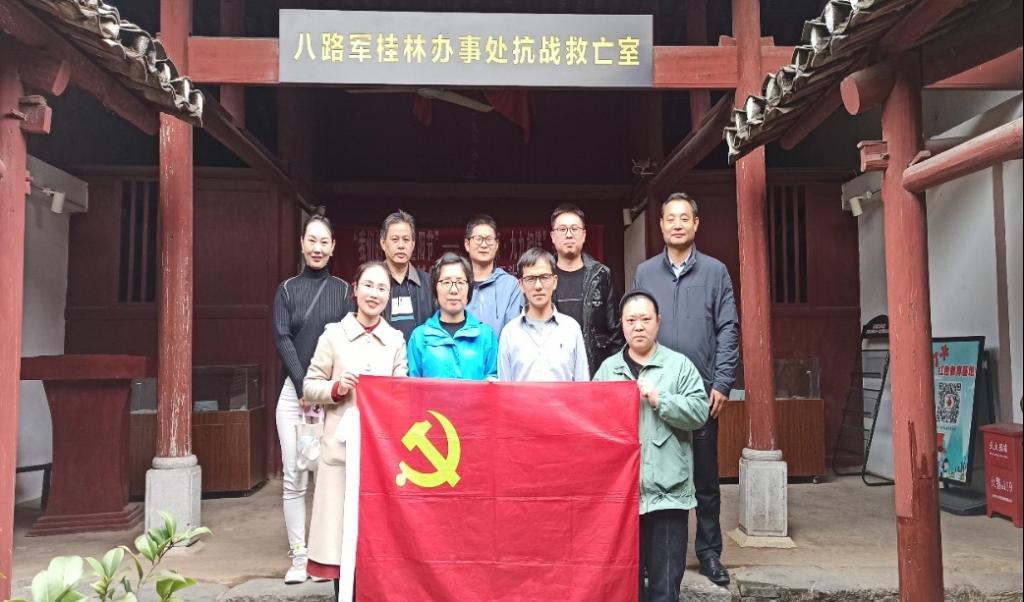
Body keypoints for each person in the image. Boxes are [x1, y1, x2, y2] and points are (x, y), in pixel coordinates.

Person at [633, 192, 739, 587]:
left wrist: (723, 382)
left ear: (696, 224)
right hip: (654, 394)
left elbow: (728, 328)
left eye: (684, 218)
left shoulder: (715, 272)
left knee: (706, 478)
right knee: (652, 476)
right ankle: (650, 558)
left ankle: (709, 553)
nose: (677, 224)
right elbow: (635, 324)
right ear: (660, 225)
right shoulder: (645, 273)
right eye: (670, 218)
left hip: (700, 395)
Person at [593, 290, 709, 602]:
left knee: (665, 587)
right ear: (622, 324)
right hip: (623, 497)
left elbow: (699, 413)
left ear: (658, 322)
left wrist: (660, 400)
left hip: (668, 495)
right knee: (626, 586)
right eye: (631, 320)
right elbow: (592, 424)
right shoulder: (608, 371)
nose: (638, 326)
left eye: (645, 319)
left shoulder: (679, 366)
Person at [303, 261, 408, 598]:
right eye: (369, 286)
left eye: (382, 288)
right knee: (339, 538)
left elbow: (402, 392)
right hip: (340, 452)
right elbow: (310, 386)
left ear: (388, 296)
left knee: (375, 537)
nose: (374, 294)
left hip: (379, 456)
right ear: (355, 289)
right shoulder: (334, 335)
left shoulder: (395, 340)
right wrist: (337, 388)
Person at [271, 213, 354, 584]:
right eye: (312, 240)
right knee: (294, 476)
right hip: (294, 396)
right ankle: (299, 555)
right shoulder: (287, 290)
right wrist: (304, 385)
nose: (317, 248)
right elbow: (282, 338)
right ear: (302, 243)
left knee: (327, 476)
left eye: (324, 242)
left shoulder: (344, 291)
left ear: (333, 247)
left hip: (330, 397)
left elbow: (347, 342)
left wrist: (321, 389)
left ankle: (324, 556)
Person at [549, 203, 622, 376]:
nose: (569, 234)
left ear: (584, 235)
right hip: (554, 372)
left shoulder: (601, 274)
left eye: (574, 229)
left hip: (595, 370)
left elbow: (616, 332)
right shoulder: (544, 275)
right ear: (552, 236)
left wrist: (612, 375)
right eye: (562, 229)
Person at [498, 247, 589, 382]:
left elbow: (582, 383)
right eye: (530, 279)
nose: (538, 286)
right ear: (521, 285)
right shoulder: (509, 333)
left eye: (544, 277)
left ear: (555, 281)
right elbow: (504, 387)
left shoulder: (571, 329)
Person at [407, 252, 499, 380]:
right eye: (446, 282)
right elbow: (412, 386)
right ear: (435, 288)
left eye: (460, 282)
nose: (454, 290)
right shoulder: (419, 337)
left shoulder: (486, 336)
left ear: (469, 288)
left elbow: (493, 380)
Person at [379, 210, 435, 341]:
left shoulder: (429, 283)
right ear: (383, 243)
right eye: (395, 239)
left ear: (413, 244)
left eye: (406, 240)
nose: (401, 246)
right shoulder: (371, 282)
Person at [463, 214, 522, 336]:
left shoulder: (510, 285)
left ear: (497, 245)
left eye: (489, 239)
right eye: (478, 239)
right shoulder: (457, 283)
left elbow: (513, 332)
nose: (484, 245)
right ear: (467, 244)